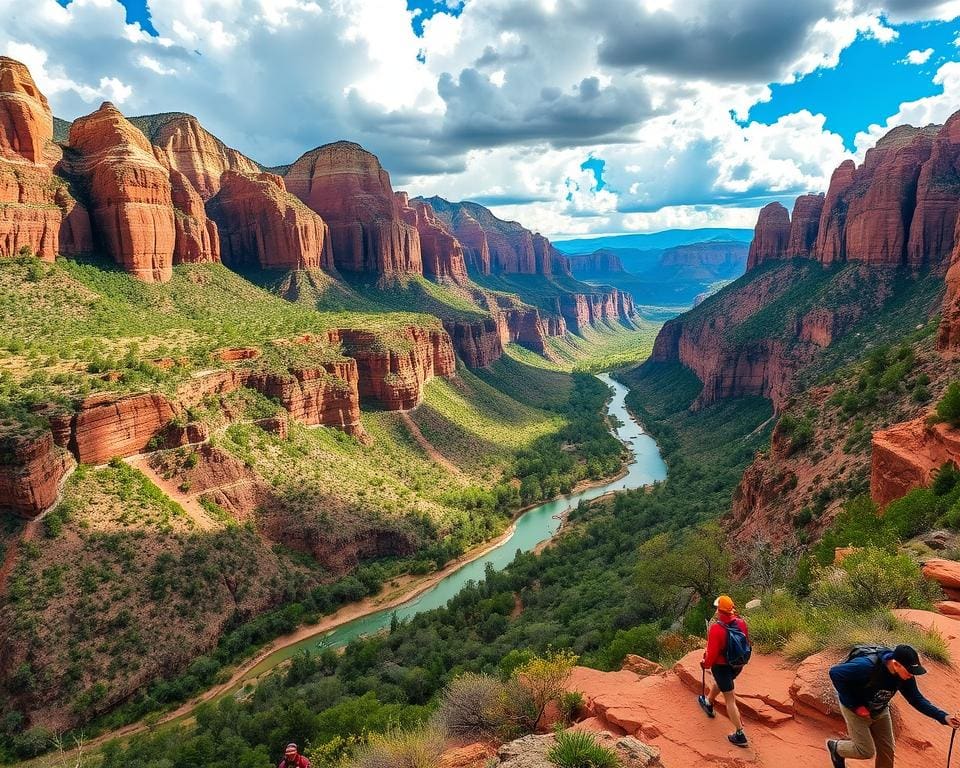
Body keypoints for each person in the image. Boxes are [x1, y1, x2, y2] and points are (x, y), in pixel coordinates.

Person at [827, 644, 960, 768]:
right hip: (855, 711)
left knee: (887, 752)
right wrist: (855, 705)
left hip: (880, 710)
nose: (911, 675)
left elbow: (917, 700)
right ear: (896, 664)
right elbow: (835, 673)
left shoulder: (905, 676)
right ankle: (836, 748)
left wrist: (944, 717)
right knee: (865, 751)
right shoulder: (866, 666)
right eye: (909, 671)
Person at [697, 595, 750, 748]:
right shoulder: (741, 623)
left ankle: (740, 734)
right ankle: (708, 702)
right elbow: (746, 643)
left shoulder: (716, 629)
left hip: (721, 667)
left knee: (730, 699)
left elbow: (712, 654)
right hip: (737, 665)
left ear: (719, 611)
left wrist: (705, 663)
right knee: (722, 683)